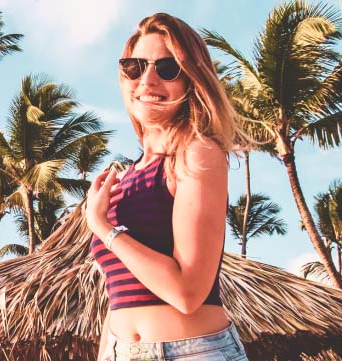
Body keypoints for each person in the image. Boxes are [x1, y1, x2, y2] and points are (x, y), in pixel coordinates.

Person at [85, 12, 250, 361]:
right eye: (135, 66)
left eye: (167, 68)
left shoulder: (196, 153)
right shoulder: (128, 174)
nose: (147, 79)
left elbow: (187, 293)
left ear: (192, 79)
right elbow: (117, 297)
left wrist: (104, 229)